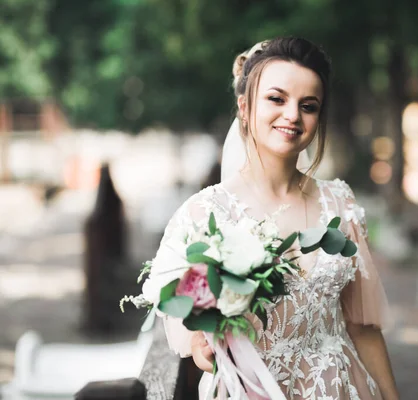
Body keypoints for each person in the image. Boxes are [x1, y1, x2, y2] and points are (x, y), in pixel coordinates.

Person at [155, 37, 400, 399]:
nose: (292, 115)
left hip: (338, 388)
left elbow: (363, 329)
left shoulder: (340, 204)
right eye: (276, 99)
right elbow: (196, 339)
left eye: (309, 105)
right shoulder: (205, 215)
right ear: (244, 106)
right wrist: (205, 349)